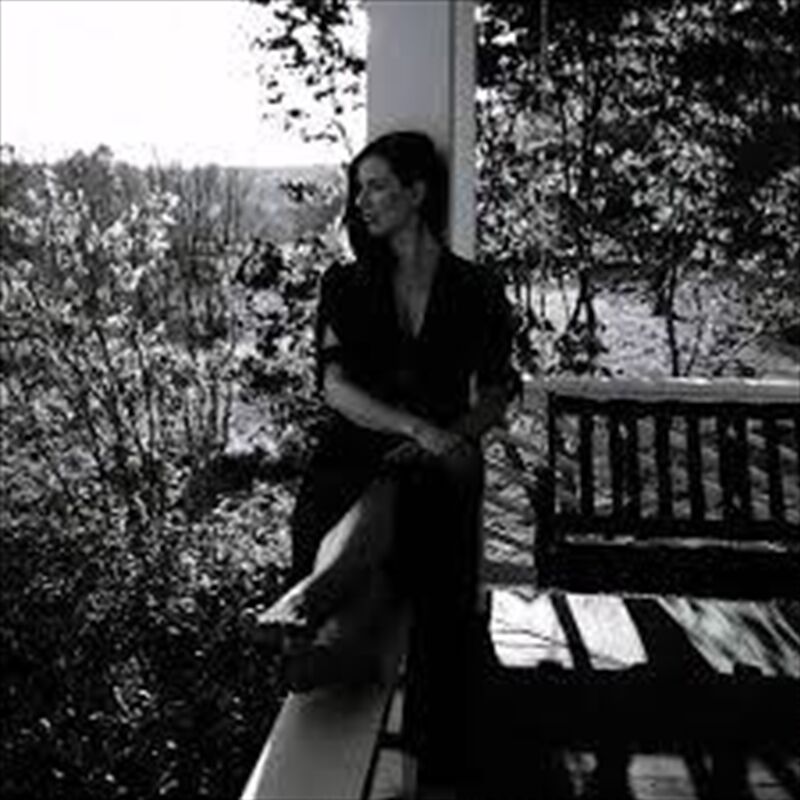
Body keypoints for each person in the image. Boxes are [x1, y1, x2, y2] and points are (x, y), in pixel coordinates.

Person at [260, 130, 519, 787]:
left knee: (406, 486)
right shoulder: (344, 284)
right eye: (359, 190)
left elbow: (498, 390)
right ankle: (335, 643)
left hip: (433, 468)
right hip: (349, 459)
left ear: (417, 192)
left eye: (377, 187)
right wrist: (417, 429)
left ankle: (317, 610)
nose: (363, 202)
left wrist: (450, 437)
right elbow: (335, 388)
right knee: (382, 492)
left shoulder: (476, 287)